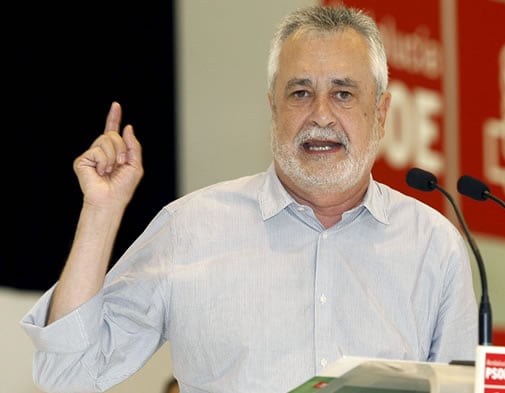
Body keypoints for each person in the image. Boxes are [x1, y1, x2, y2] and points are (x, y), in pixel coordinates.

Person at [20, 5, 478, 393]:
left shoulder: (432, 246)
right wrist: (101, 212)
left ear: (380, 113)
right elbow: (67, 373)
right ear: (273, 109)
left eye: (343, 93)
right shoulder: (191, 227)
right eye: (300, 93)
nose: (321, 115)